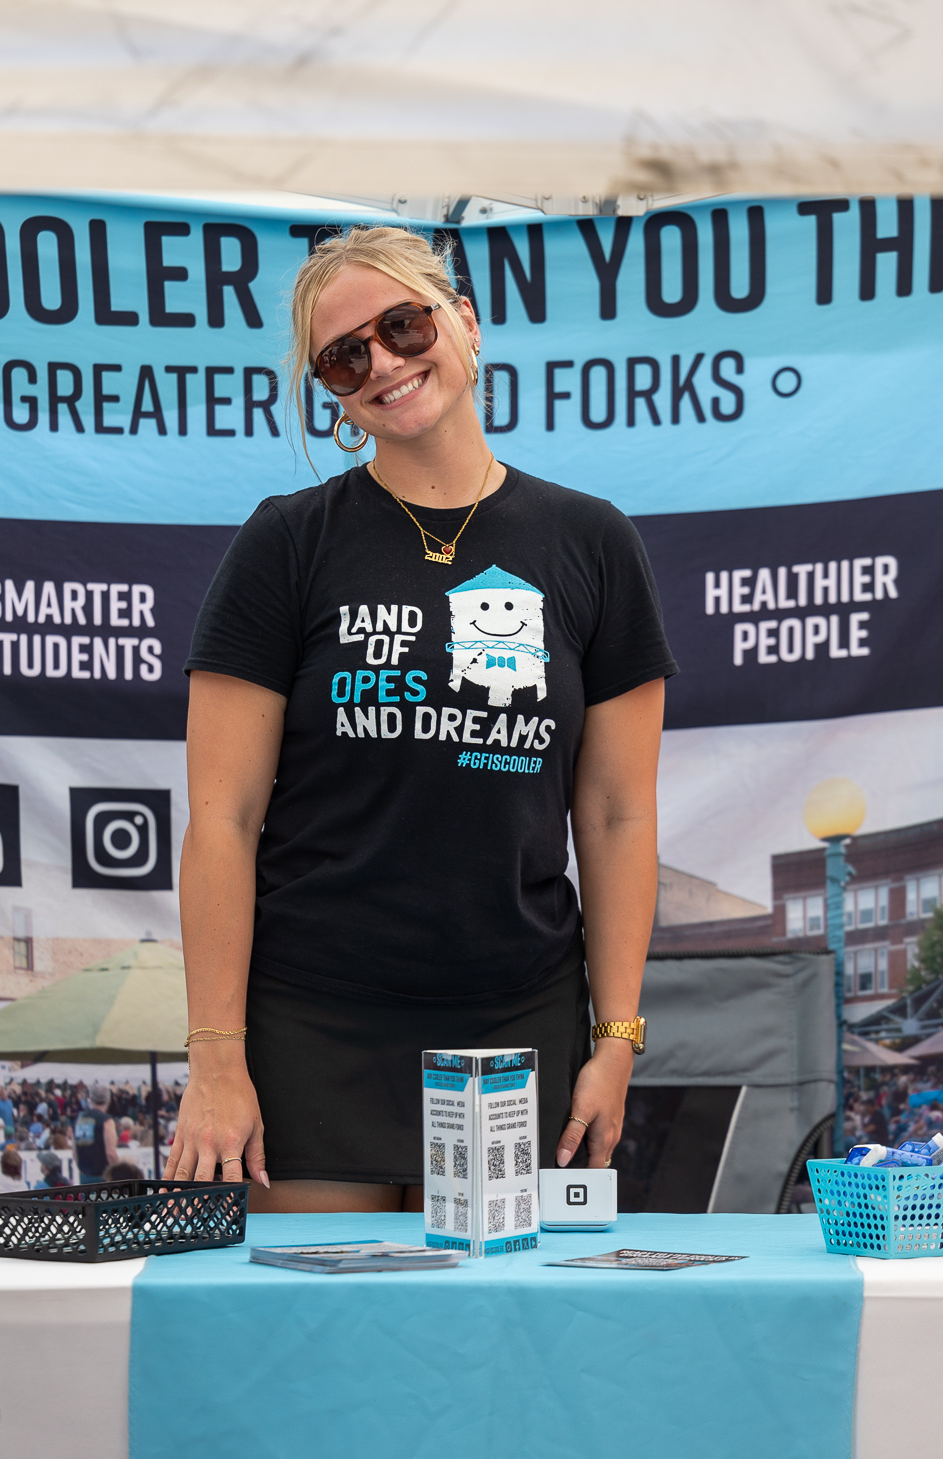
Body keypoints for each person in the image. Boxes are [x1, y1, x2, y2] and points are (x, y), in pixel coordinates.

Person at [167, 225, 674, 1213]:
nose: (384, 365)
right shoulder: (285, 544)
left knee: (489, 1354)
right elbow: (220, 820)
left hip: (515, 1015)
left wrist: (615, 1039)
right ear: (329, 390)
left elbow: (615, 815)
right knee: (320, 1347)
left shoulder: (592, 543)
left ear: (464, 324)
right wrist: (216, 1059)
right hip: (313, 1020)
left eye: (402, 326)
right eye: (344, 356)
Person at [74, 1083, 121, 1184]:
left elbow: (75, 1151)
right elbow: (110, 1153)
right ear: (108, 1100)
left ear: (90, 1098)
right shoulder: (106, 1121)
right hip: (103, 1176)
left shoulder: (80, 1120)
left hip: (84, 1175)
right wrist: (119, 1175)